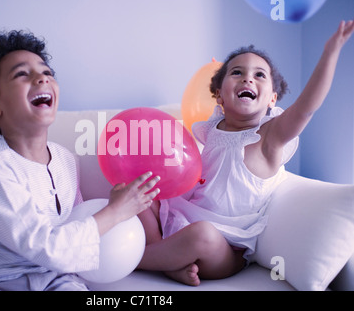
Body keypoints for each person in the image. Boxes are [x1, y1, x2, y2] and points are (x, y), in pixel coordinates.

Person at [137, 19, 354, 286]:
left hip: (224, 248)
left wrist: (330, 52)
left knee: (202, 235)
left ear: (272, 99)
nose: (248, 77)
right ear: (219, 95)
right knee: (139, 191)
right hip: (183, 221)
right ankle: (166, 259)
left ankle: (142, 259)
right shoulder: (211, 130)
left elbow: (307, 107)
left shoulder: (269, 138)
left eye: (260, 75)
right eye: (237, 72)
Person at [0, 30, 160, 291]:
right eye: (21, 74)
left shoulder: (64, 159)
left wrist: (117, 203)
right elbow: (46, 247)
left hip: (57, 279)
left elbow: (76, 223)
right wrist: (116, 211)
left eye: (47, 72)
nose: (41, 78)